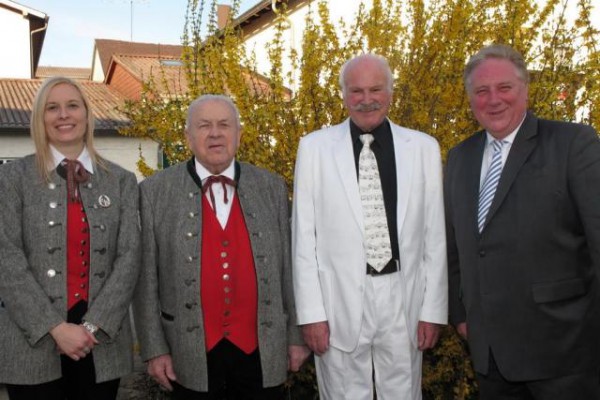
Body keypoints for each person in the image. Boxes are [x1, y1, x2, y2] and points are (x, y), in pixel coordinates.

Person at [445, 44, 600, 399]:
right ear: (470, 100)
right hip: (491, 354)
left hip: (563, 349)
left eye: (504, 88)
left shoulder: (573, 143)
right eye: (481, 91)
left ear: (525, 89)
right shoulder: (459, 157)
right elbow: (455, 246)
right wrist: (460, 313)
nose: (493, 99)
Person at [292, 53, 448, 399]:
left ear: (391, 92)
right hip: (338, 303)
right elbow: (304, 241)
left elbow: (434, 238)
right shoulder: (314, 149)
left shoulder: (423, 148)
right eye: (356, 91)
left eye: (375, 89)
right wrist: (311, 315)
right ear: (344, 95)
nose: (366, 100)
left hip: (403, 298)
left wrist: (433, 310)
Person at [133, 94, 310, 399]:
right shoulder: (154, 192)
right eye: (204, 126)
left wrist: (295, 336)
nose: (215, 133)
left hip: (261, 346)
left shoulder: (271, 187)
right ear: (188, 137)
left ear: (238, 134)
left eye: (224, 125)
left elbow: (290, 271)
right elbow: (146, 280)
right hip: (188, 351)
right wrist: (154, 349)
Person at [0, 76, 141, 400]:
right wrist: (55, 328)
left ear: (87, 115)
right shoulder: (11, 178)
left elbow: (130, 256)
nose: (64, 115)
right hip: (31, 340)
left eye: (72, 106)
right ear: (40, 118)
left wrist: (92, 327)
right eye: (52, 108)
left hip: (100, 341)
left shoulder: (121, 180)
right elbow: (6, 257)